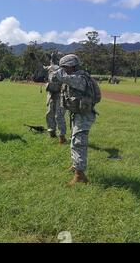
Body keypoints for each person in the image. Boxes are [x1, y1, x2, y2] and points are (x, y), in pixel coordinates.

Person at [52, 54, 100, 185]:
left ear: (71, 66)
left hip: (84, 116)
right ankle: (75, 166)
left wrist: (54, 68)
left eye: (65, 67)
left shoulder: (79, 78)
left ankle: (80, 176)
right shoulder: (75, 76)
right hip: (77, 114)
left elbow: (61, 76)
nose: (63, 69)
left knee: (79, 143)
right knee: (74, 141)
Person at [45, 53, 67, 144]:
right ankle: (52, 132)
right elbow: (42, 68)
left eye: (53, 58)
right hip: (51, 94)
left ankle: (62, 136)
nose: (52, 60)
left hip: (60, 95)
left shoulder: (63, 70)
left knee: (59, 115)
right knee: (49, 113)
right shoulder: (50, 68)